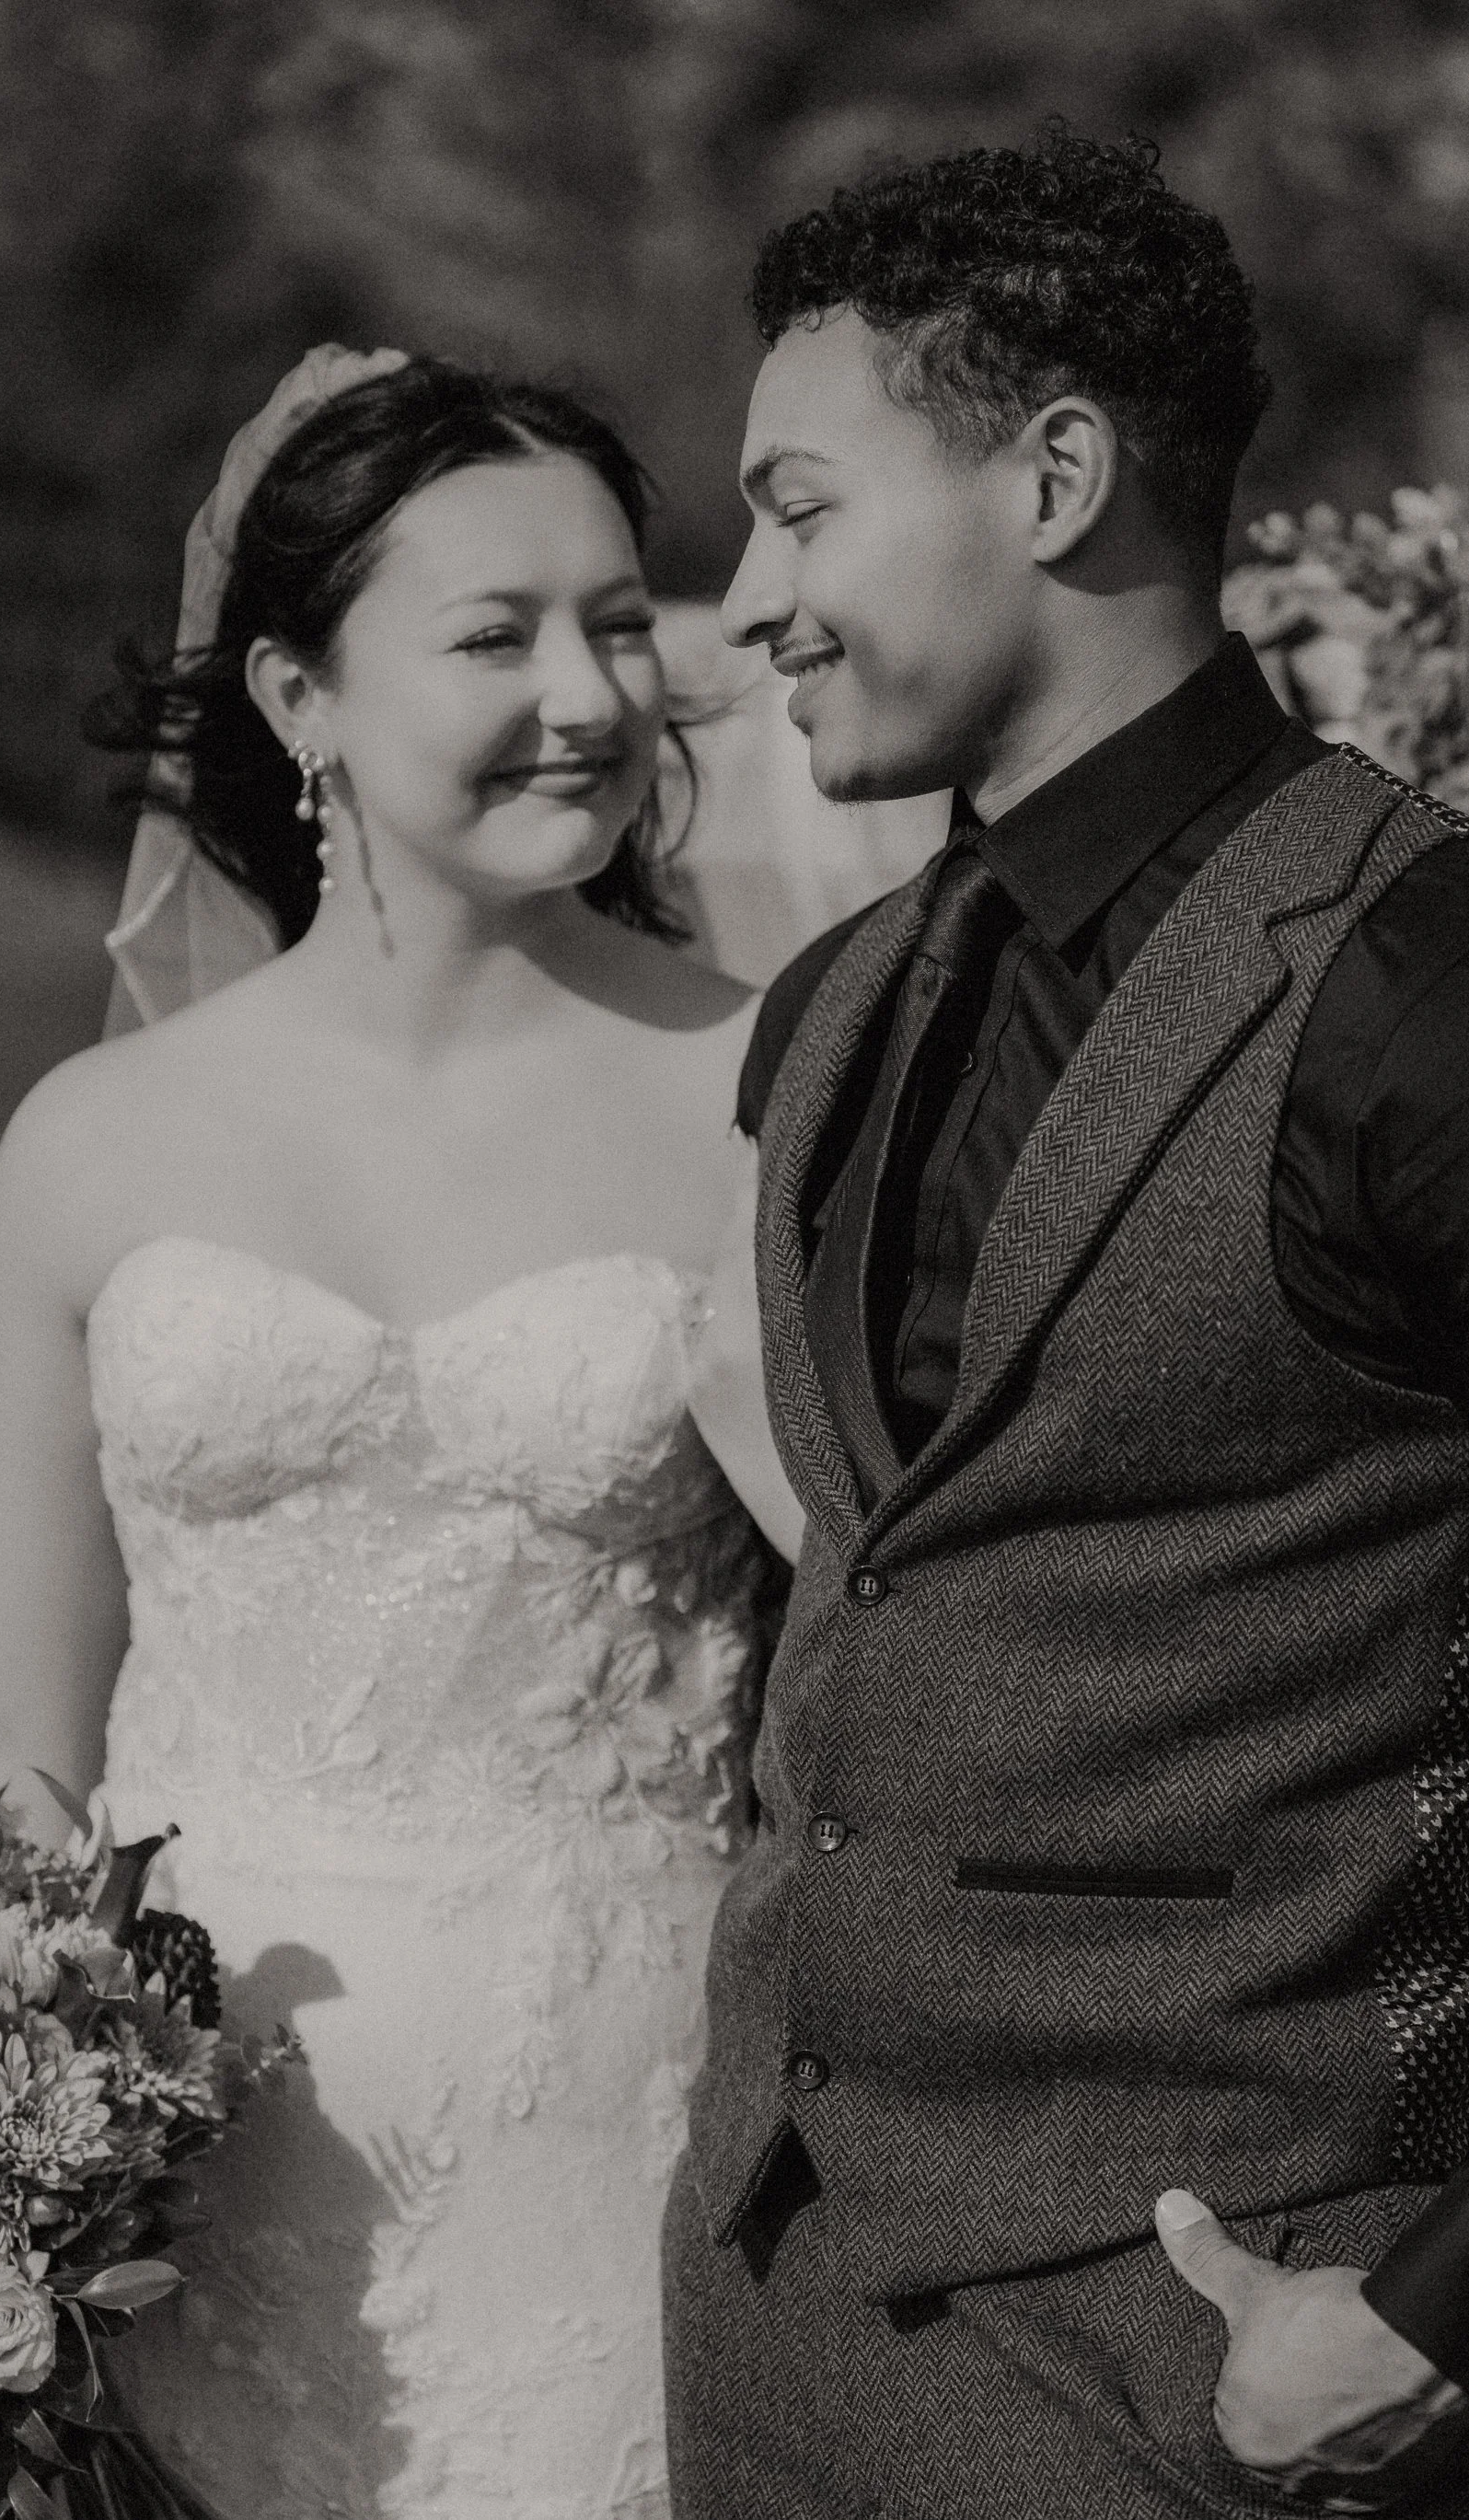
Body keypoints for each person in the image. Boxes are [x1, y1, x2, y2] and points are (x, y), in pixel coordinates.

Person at [0, 353, 797, 2520]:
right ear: (301, 696)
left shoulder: (777, 1091)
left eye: (617, 620)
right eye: (495, 636)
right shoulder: (95, 1140)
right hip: (174, 2198)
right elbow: (12, 1708)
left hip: (626, 2149)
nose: (589, 690)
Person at [671, 128, 1469, 2518]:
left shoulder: (1415, 991)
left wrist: (1441, 2316)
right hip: (761, 2325)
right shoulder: (826, 1012)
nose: (744, 603)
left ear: (1054, 473)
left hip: (1229, 2378)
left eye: (799, 509)